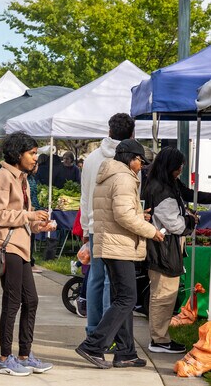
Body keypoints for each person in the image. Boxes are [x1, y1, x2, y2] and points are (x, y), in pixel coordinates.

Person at [76, 139, 164, 369]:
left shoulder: (108, 175)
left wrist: (137, 213)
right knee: (127, 299)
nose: (141, 167)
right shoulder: (124, 178)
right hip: (119, 245)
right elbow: (123, 216)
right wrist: (150, 230)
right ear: (130, 158)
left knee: (120, 298)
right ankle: (93, 345)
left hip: (107, 242)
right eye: (140, 162)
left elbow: (116, 211)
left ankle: (126, 352)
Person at [0, 132, 55, 376]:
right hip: (8, 246)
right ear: (18, 154)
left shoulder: (21, 178)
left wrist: (39, 224)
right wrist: (29, 216)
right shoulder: (5, 176)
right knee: (13, 302)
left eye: (36, 153)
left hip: (21, 246)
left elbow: (21, 217)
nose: (35, 158)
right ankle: (5, 357)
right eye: (32, 153)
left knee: (31, 301)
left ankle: (25, 354)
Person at [142, 147, 211, 354]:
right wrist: (191, 220)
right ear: (170, 166)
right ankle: (159, 340)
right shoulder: (161, 189)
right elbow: (176, 225)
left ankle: (160, 337)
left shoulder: (167, 183)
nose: (181, 169)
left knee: (165, 294)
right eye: (179, 166)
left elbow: (188, 194)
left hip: (165, 247)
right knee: (163, 295)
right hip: (162, 248)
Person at [79, 113, 135, 337]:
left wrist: (85, 227)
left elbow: (84, 196)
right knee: (113, 282)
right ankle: (108, 332)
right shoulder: (130, 159)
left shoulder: (92, 158)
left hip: (94, 225)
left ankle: (94, 329)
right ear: (131, 133)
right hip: (118, 226)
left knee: (95, 278)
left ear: (109, 131)